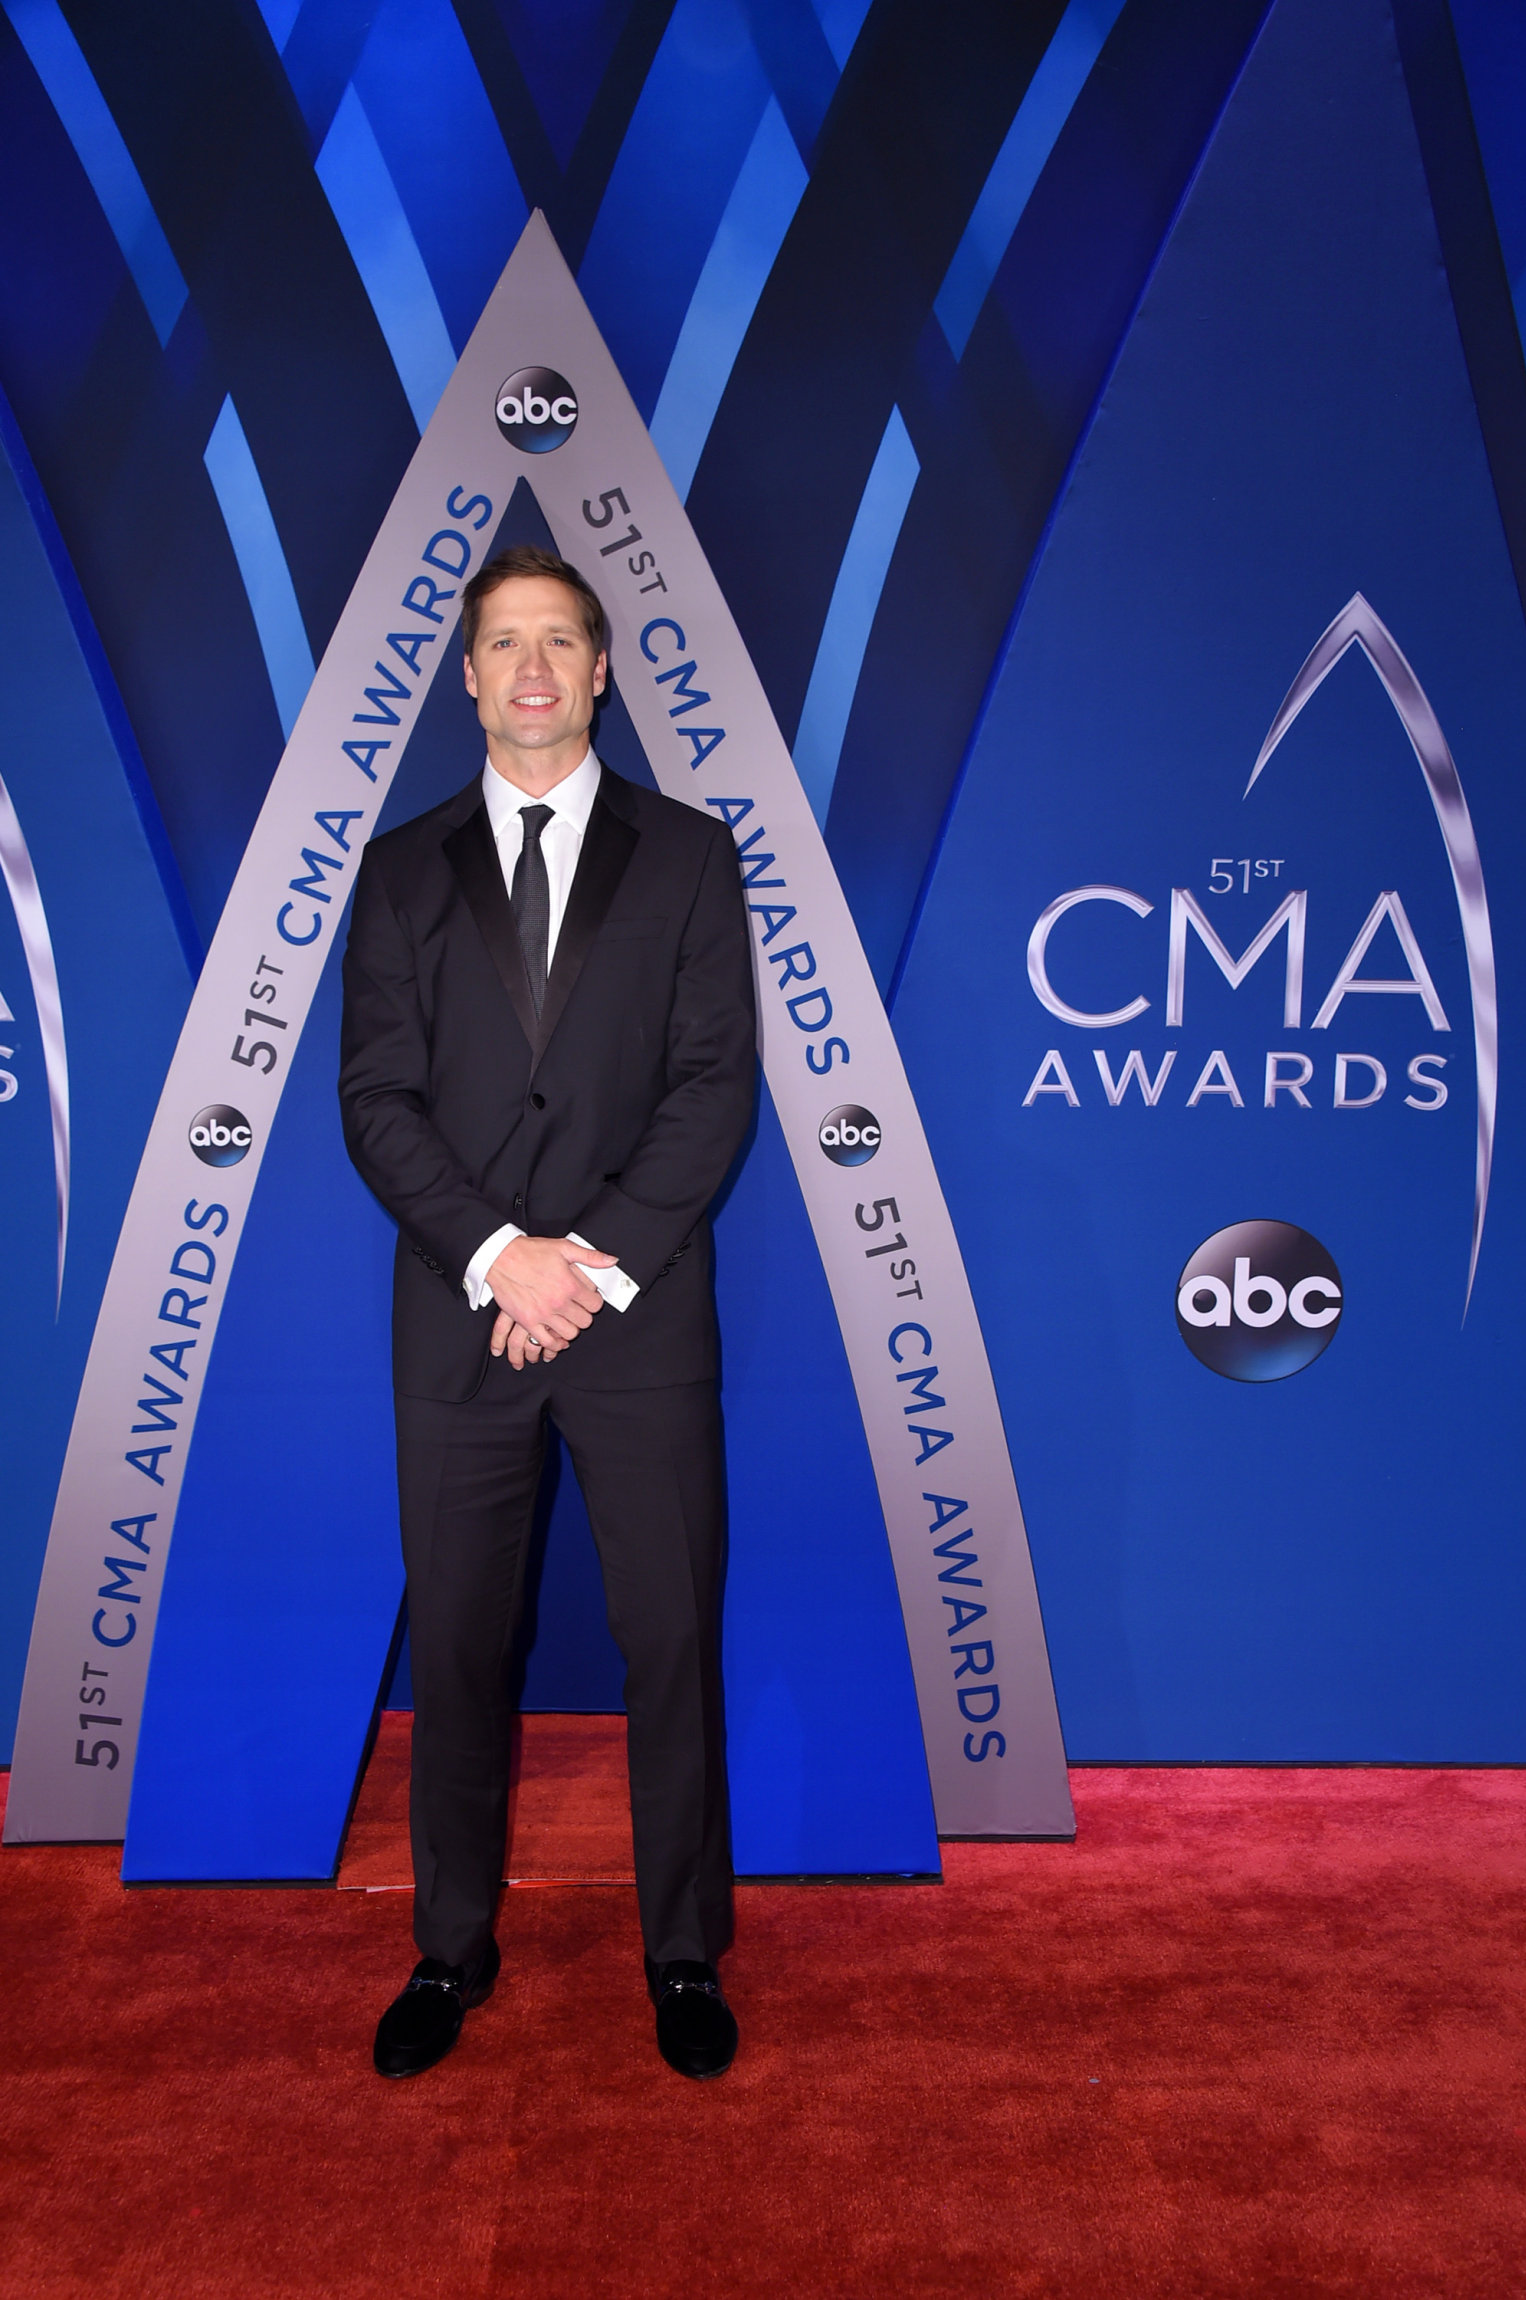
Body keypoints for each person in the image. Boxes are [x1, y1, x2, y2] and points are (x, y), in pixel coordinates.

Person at [339, 543, 756, 2080]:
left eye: (557, 642)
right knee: (455, 1645)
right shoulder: (397, 869)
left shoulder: (695, 858)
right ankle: (449, 1947)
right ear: (465, 673)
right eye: (500, 641)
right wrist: (500, 1255)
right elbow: (375, 1102)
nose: (528, 668)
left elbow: (716, 1093)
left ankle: (687, 1951)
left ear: (599, 669)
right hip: (460, 1325)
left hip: (638, 1321)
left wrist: (583, 1266)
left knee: (672, 1640)